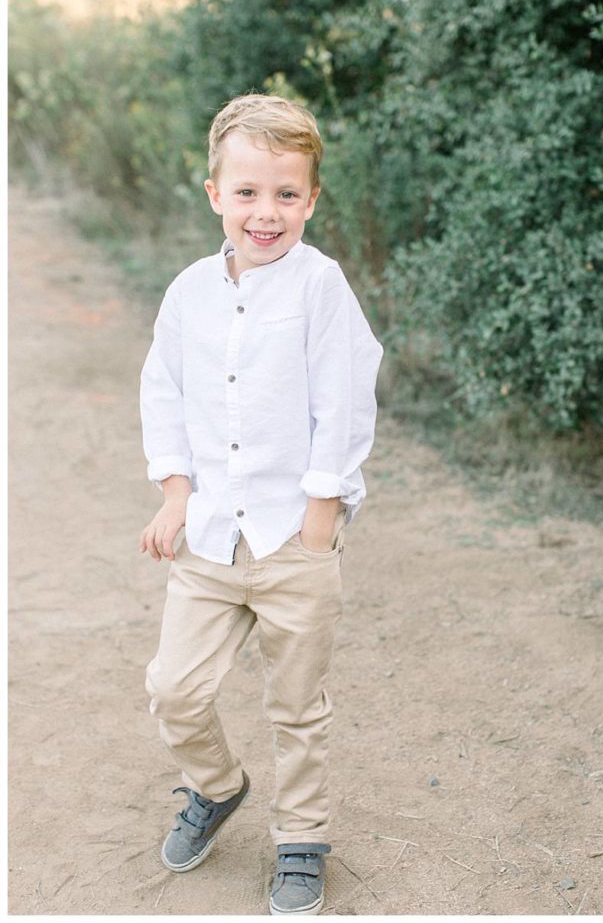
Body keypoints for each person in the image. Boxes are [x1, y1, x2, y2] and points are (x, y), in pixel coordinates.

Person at [138, 92, 384, 916]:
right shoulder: (189, 294)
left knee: (296, 704)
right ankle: (216, 785)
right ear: (215, 194)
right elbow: (163, 394)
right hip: (208, 539)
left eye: (286, 194)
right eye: (247, 193)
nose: (266, 212)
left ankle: (303, 839)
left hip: (293, 540)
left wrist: (321, 519)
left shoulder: (321, 287)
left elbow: (345, 401)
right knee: (174, 688)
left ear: (312, 199)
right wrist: (176, 493)